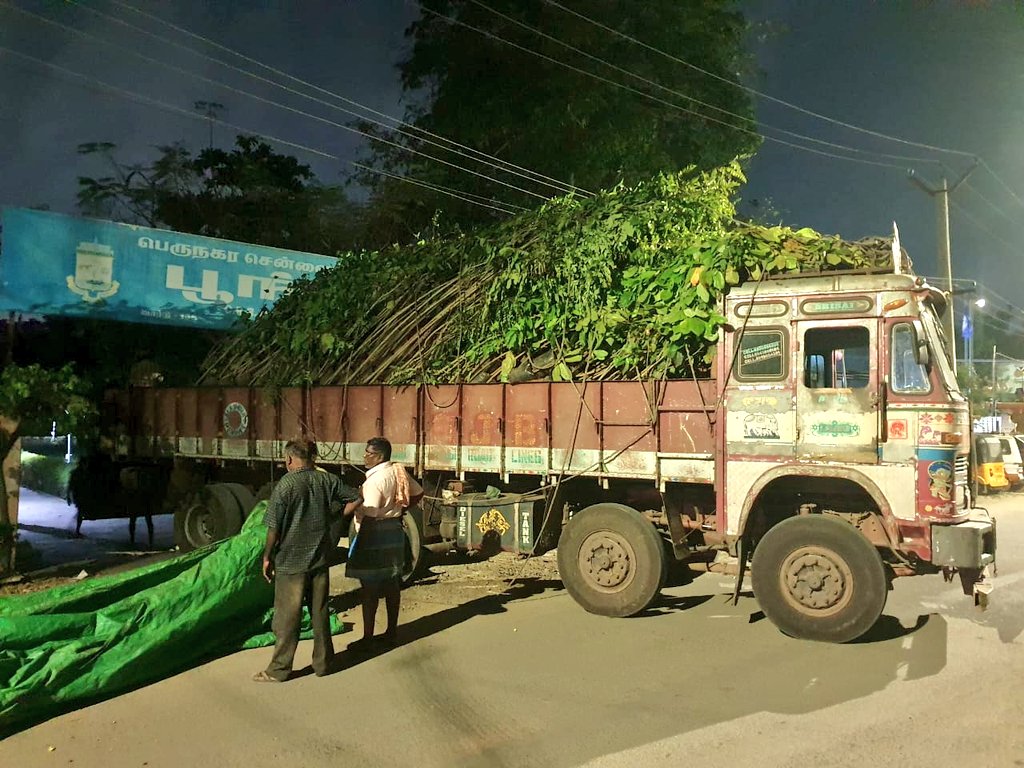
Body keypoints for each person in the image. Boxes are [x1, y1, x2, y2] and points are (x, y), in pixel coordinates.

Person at [253, 438, 360, 682]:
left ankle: (279, 669)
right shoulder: (327, 480)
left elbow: (273, 527)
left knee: (286, 618)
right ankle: (324, 664)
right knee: (319, 612)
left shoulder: (286, 485)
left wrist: (267, 556)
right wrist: (334, 517)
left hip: (291, 562)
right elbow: (356, 497)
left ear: (289, 459)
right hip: (319, 559)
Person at [345, 436, 423, 653]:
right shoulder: (399, 472)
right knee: (392, 585)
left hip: (374, 533)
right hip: (394, 530)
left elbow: (369, 514)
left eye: (368, 453)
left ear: (378, 456)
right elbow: (417, 493)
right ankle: (391, 631)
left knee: (369, 588)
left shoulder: (374, 482)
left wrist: (360, 544)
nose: (364, 456)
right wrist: (400, 509)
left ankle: (368, 637)